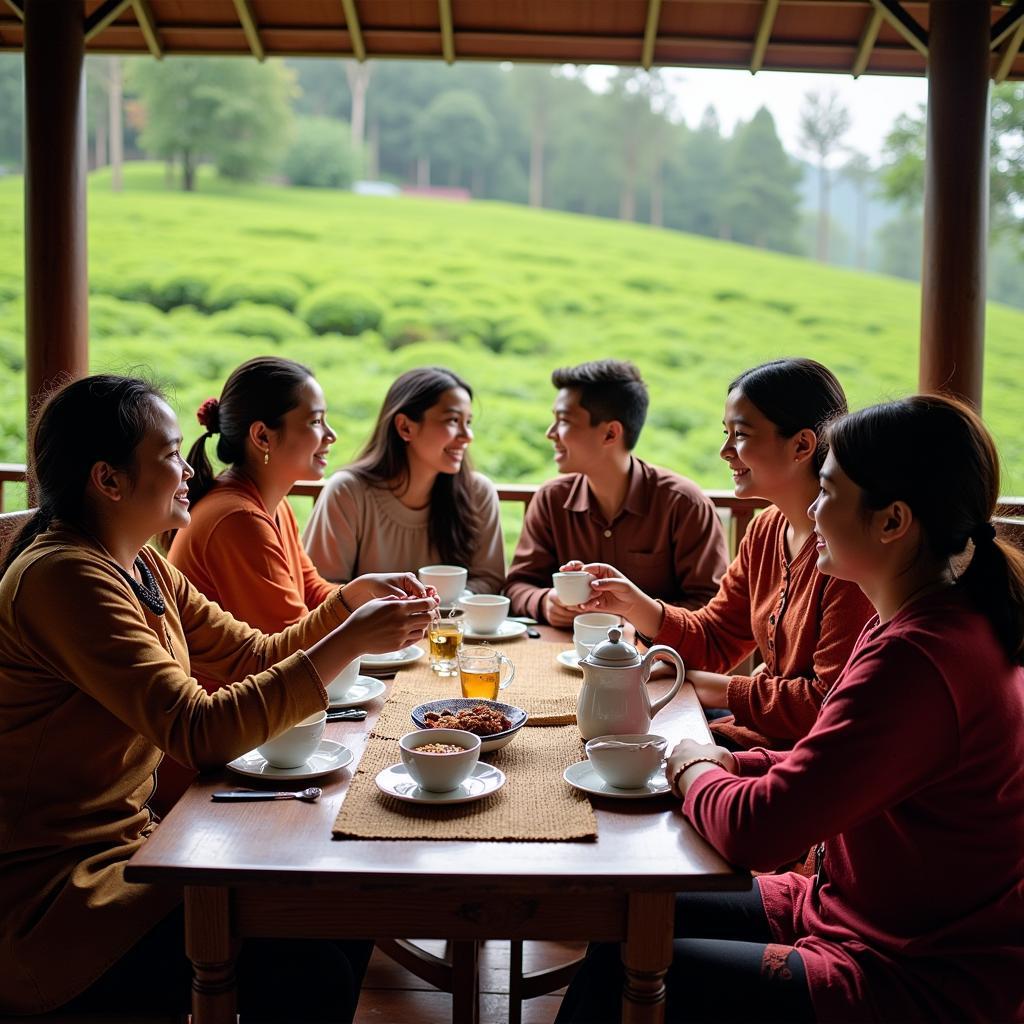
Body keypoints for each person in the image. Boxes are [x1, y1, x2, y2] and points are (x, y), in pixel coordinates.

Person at [558, 393, 1024, 1023]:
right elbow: (822, 763)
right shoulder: (924, 619)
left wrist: (696, 765)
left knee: (625, 964)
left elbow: (760, 831)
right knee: (631, 908)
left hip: (909, 970)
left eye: (828, 492)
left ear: (892, 522)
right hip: (841, 908)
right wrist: (725, 760)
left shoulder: (920, 658)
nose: (811, 508)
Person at [0, 374, 436, 1019]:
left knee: (336, 912)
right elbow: (198, 732)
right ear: (108, 480)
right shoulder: (66, 579)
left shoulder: (139, 562)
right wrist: (347, 642)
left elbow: (252, 653)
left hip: (134, 848)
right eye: (171, 455)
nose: (187, 469)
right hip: (59, 896)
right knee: (309, 964)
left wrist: (349, 605)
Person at [568, 358, 875, 750]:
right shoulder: (765, 530)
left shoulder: (848, 554)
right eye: (726, 433)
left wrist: (713, 688)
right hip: (749, 735)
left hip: (800, 759)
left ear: (801, 444)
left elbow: (825, 703)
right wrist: (632, 603)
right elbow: (716, 639)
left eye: (741, 435)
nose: (725, 451)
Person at [504, 360, 728, 626]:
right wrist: (545, 602)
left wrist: (633, 617)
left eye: (563, 420)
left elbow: (711, 607)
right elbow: (517, 586)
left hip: (655, 661)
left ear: (610, 433)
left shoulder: (683, 504)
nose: (550, 433)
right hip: (566, 656)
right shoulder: (552, 499)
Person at [304, 366, 505, 593]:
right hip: (371, 629)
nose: (467, 436)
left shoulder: (477, 492)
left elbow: (489, 579)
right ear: (405, 427)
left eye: (468, 422)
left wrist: (442, 605)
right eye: (452, 421)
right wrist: (399, 609)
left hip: (452, 628)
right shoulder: (348, 492)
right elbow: (322, 588)